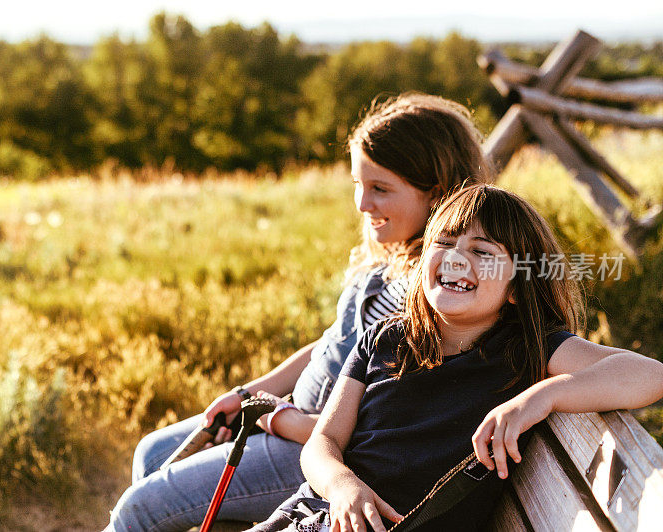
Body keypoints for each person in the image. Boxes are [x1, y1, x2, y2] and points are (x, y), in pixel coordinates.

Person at [105, 93, 492, 531]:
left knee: (141, 507)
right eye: (357, 185)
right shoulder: (391, 257)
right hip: (286, 421)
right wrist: (251, 393)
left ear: (438, 193)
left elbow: (384, 427)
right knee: (151, 453)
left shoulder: (439, 291)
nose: (363, 205)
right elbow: (331, 346)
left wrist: (281, 419)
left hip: (318, 452)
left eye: (380, 189)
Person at [251, 184, 663, 532]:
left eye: (482, 251)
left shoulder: (526, 349)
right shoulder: (386, 338)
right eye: (444, 244)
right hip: (313, 514)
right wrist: (342, 485)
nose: (455, 258)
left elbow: (649, 374)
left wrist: (541, 397)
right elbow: (322, 442)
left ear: (518, 286)